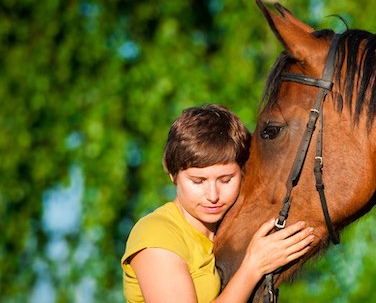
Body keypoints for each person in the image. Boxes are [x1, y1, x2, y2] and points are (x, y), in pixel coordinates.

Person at [121, 104, 315, 302]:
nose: (213, 195)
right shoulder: (157, 234)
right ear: (173, 175)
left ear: (243, 172)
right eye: (198, 181)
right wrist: (253, 267)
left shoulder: (231, 227)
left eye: (225, 180)